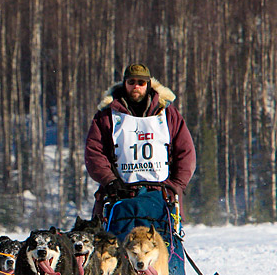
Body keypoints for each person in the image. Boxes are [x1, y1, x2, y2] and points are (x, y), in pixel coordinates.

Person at [84, 63, 196, 219]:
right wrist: (109, 181)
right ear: (125, 84)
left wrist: (176, 185)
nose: (136, 86)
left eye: (141, 82)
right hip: (119, 195)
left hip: (160, 196)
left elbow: (185, 153)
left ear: (148, 85)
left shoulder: (168, 114)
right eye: (131, 82)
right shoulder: (106, 116)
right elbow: (94, 152)